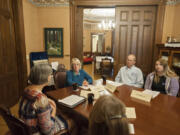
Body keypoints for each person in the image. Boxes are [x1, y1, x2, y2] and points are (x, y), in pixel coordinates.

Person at [19, 64, 69, 135]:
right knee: (71, 121)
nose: (50, 77)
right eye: (50, 75)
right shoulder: (41, 99)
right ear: (45, 78)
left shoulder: (26, 89)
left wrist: (46, 100)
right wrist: (54, 109)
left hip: (26, 127)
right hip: (36, 132)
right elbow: (48, 132)